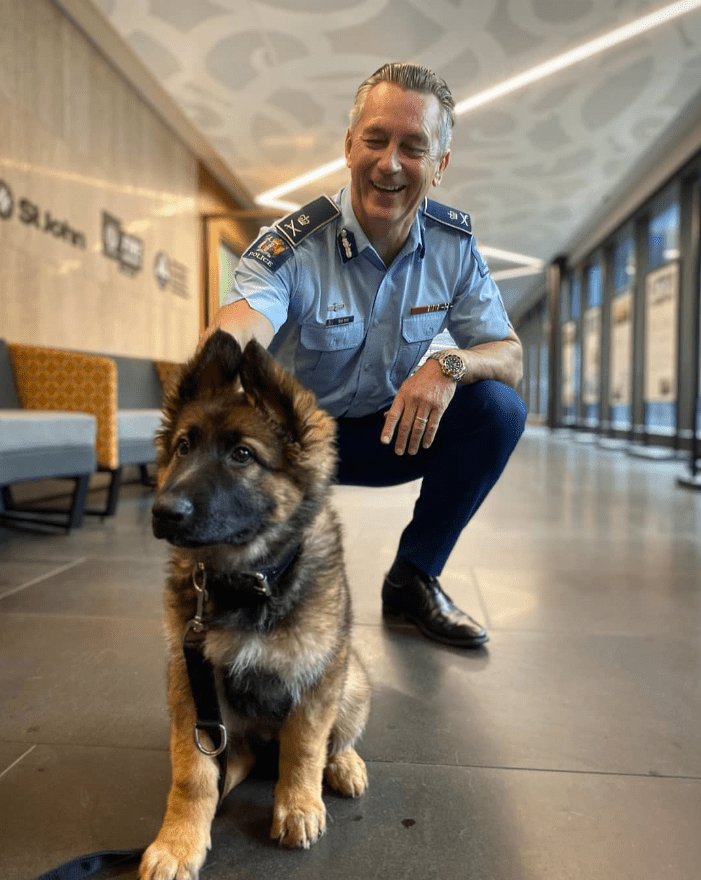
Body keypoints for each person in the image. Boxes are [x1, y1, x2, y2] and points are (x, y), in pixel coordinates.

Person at [203, 62, 527, 649]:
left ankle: (413, 578)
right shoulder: (293, 245)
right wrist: (222, 362)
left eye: (413, 146)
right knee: (264, 609)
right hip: (294, 447)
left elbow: (508, 354)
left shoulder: (454, 249)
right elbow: (242, 324)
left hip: (390, 433)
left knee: (497, 409)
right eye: (375, 139)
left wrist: (447, 364)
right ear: (349, 146)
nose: (390, 162)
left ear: (439, 165)